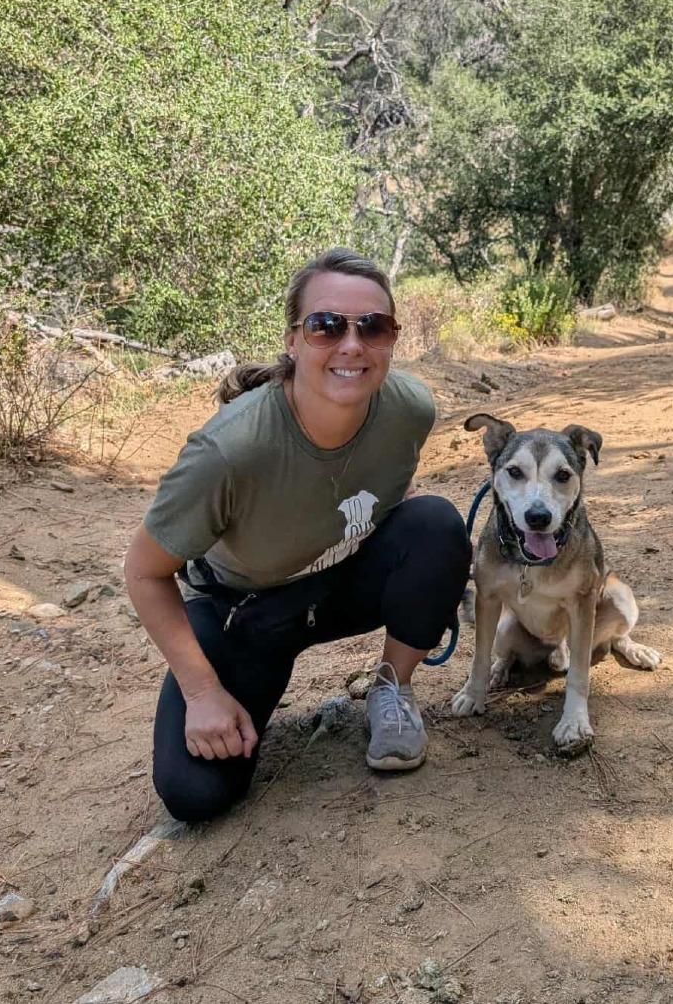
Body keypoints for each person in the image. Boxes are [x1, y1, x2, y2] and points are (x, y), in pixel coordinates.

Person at [124, 248, 471, 823]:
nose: (352, 345)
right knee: (195, 794)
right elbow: (144, 572)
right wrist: (203, 693)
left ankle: (392, 688)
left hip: (338, 586)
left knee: (435, 525)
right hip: (247, 612)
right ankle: (237, 686)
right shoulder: (229, 451)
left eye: (374, 326)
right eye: (326, 326)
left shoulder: (410, 408)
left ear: (391, 338)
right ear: (293, 339)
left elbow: (391, 503)